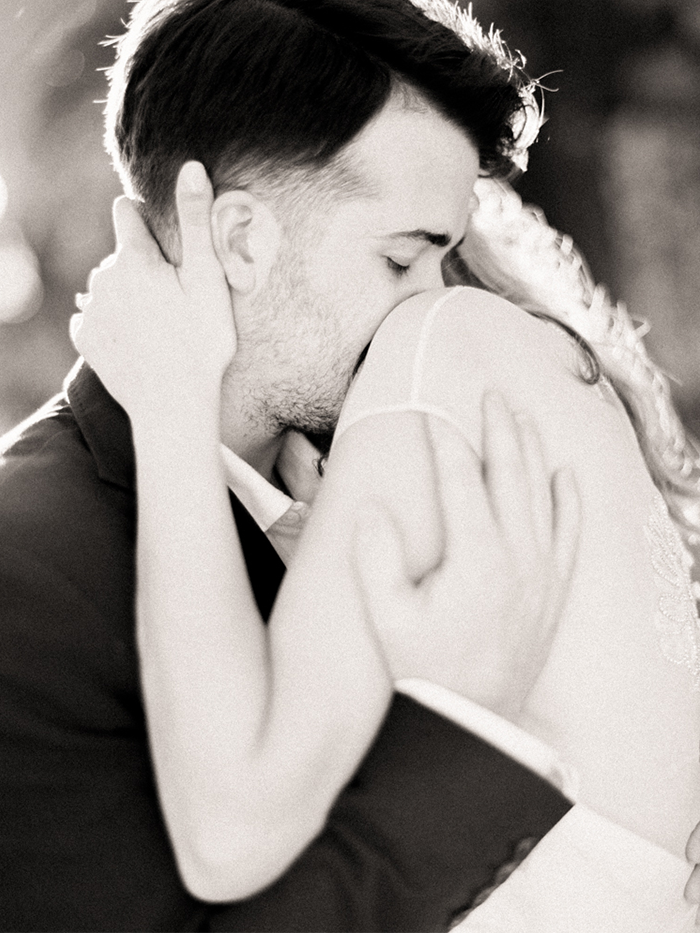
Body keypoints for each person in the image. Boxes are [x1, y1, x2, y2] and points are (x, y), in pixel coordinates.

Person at [70, 4, 700, 932]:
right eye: (404, 259)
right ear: (238, 239)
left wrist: (169, 412)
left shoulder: (441, 343)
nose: (426, 297)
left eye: (434, 255)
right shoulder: (534, 373)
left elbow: (229, 834)